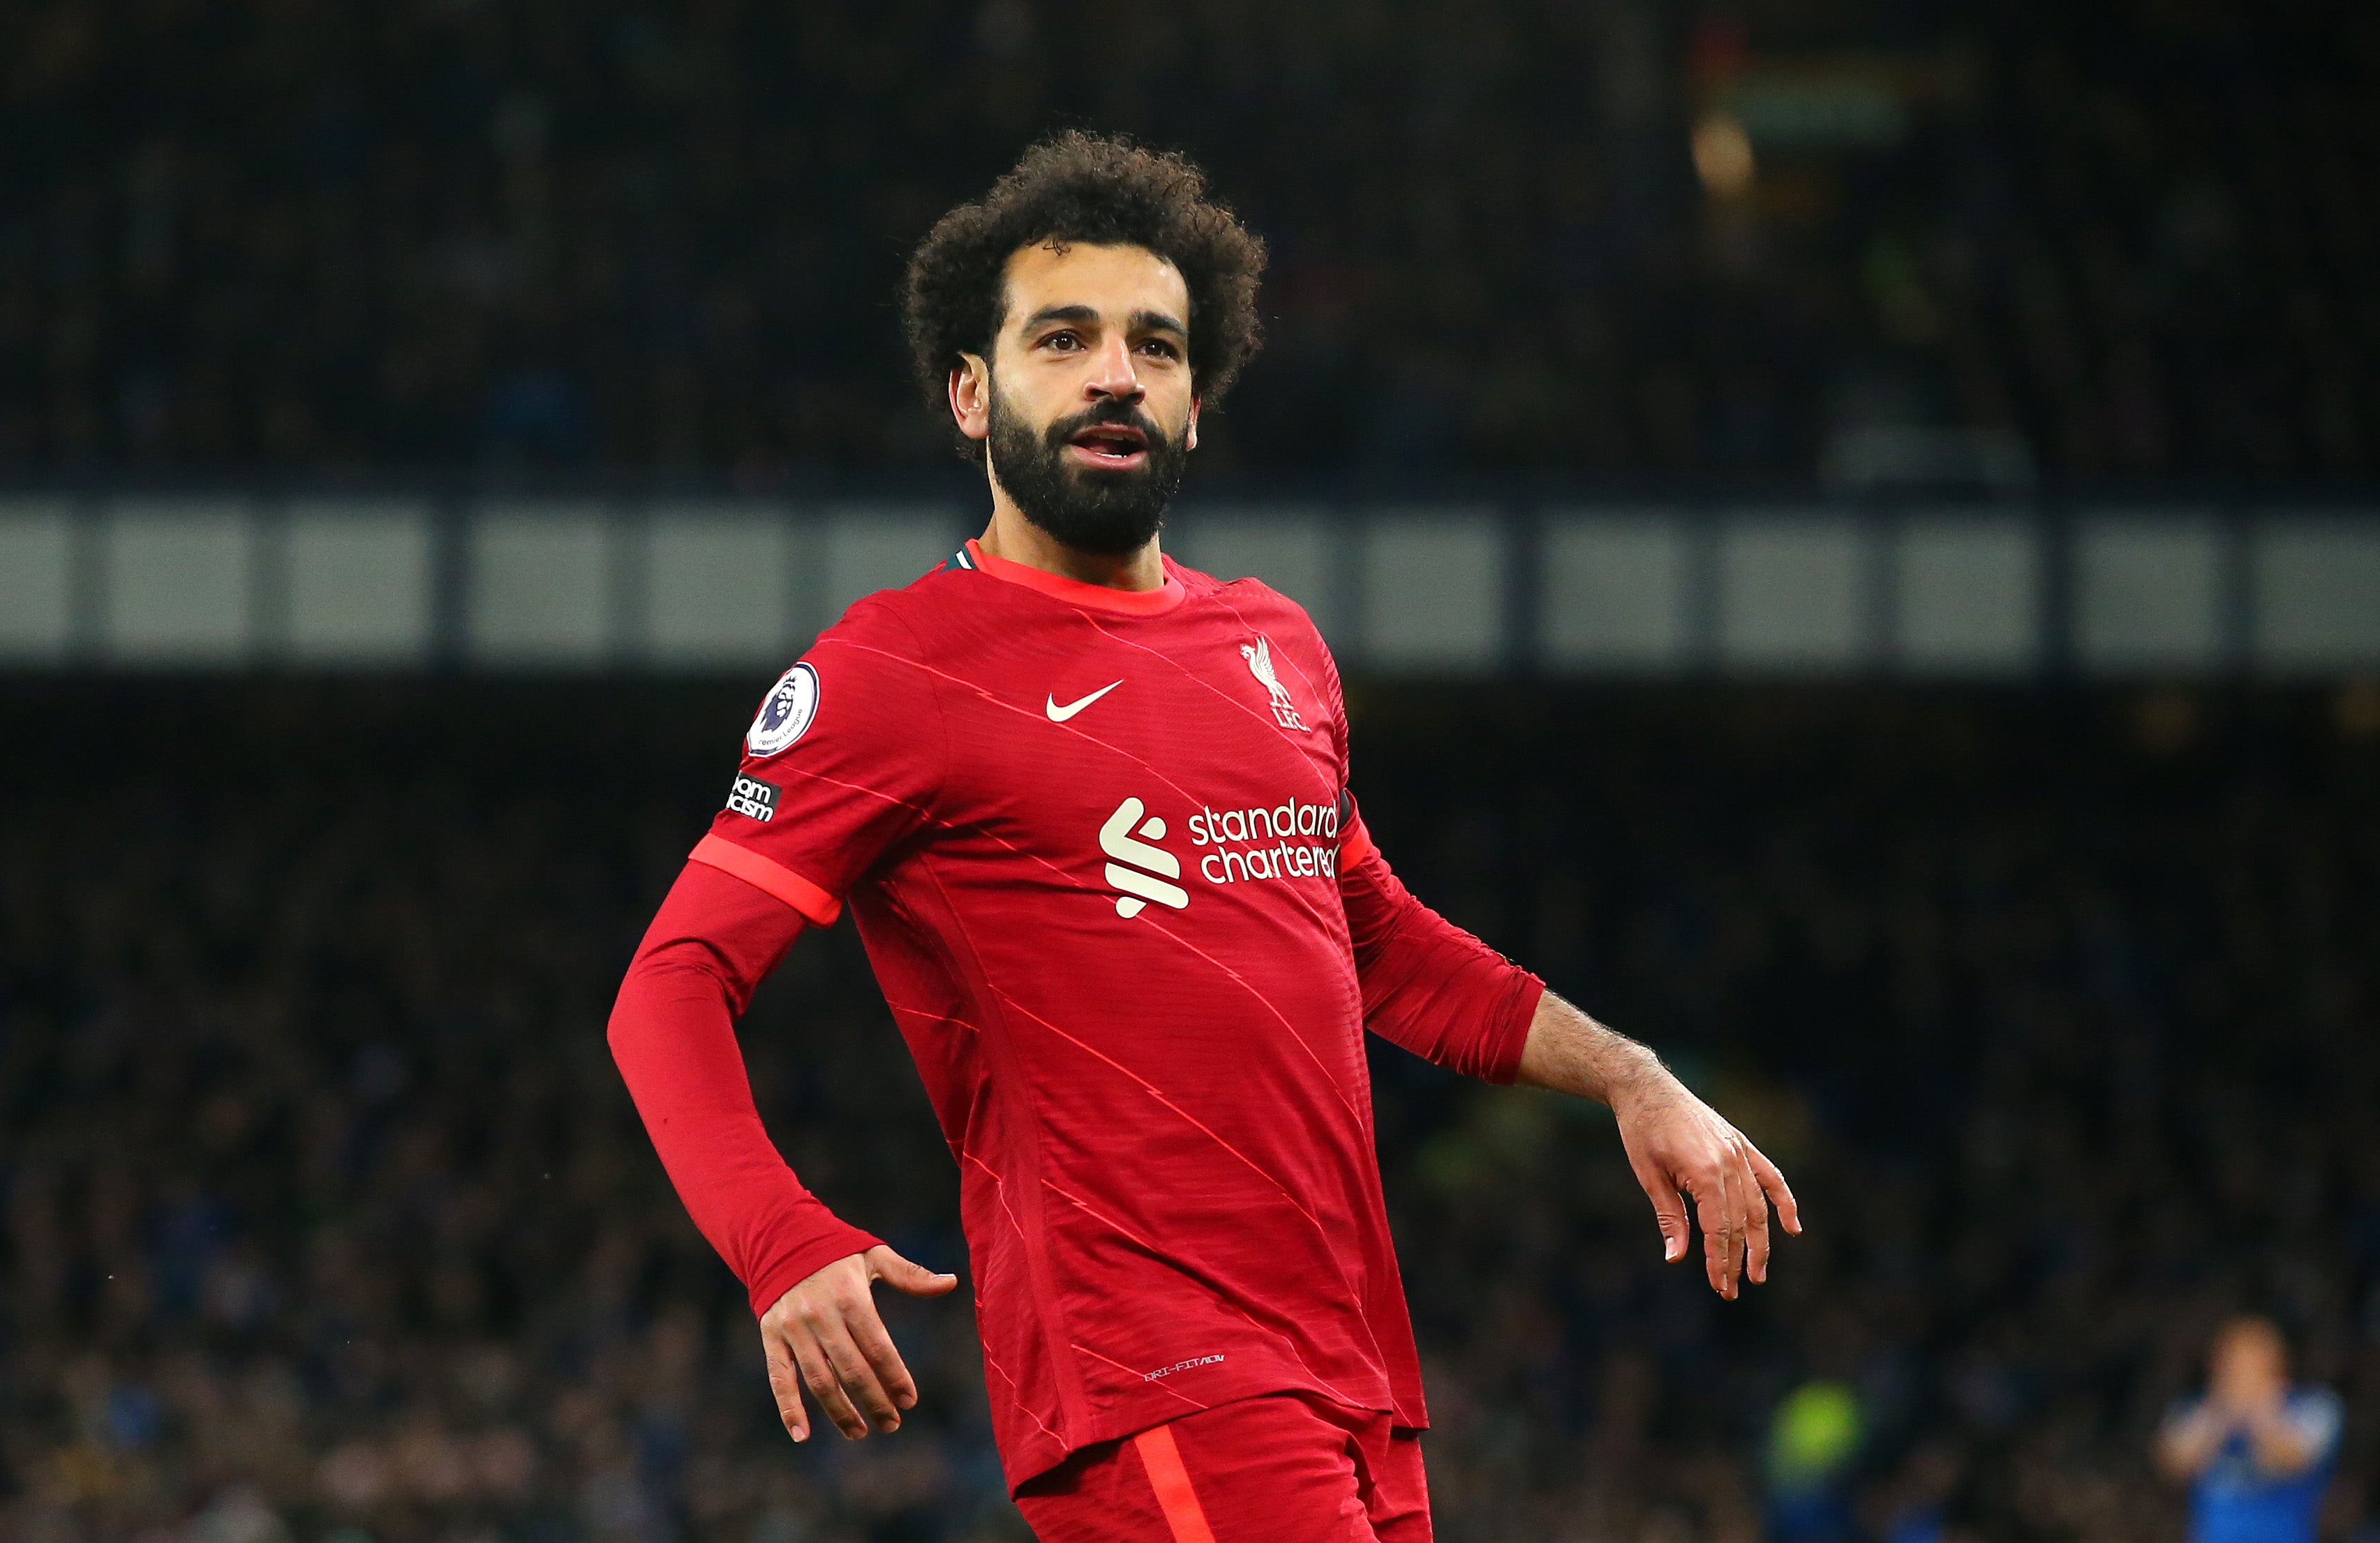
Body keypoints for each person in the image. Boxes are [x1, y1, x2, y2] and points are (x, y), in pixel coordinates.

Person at [605, 131, 1800, 1542]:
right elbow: (669, 982)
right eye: (1064, 338)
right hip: (1153, 1373)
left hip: (1349, 1361)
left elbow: (1380, 947)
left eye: (1155, 346)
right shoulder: (896, 672)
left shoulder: (1277, 645)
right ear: (969, 392)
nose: (1117, 370)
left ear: (1195, 403)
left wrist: (1629, 1074)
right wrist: (780, 1236)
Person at [2159, 1317, 2343, 1543]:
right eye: (2231, 1363)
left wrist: (2259, 1411)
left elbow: (2292, 1459)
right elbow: (2173, 1464)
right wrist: (2221, 1414)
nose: (2239, 1374)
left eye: (2250, 1363)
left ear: (2276, 1364)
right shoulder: (2196, 1410)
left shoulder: (2313, 1406)